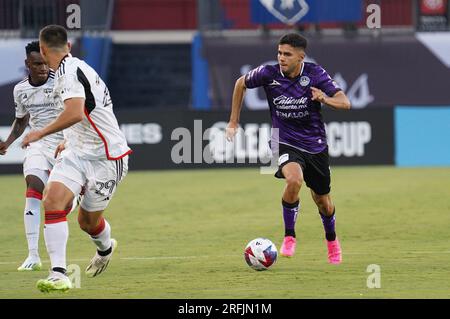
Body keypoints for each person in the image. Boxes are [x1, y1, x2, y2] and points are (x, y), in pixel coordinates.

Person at [22, 25, 132, 292]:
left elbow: (75, 113)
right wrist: (67, 140)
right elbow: (84, 112)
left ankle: (105, 248)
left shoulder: (69, 74)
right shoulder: (69, 69)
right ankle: (59, 273)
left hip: (107, 157)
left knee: (88, 222)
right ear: (68, 46)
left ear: (44, 50)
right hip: (77, 152)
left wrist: (41, 132)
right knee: (52, 200)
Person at [226, 33, 351, 264]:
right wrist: (233, 121)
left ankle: (332, 240)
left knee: (323, 201)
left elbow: (345, 102)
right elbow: (240, 84)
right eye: (279, 53)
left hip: (315, 146)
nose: (281, 58)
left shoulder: (315, 74)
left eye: (287, 54)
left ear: (301, 57)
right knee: (294, 180)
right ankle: (290, 236)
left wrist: (324, 98)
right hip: (284, 140)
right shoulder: (268, 73)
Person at [0, 41, 75, 272]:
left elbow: (76, 112)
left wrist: (70, 139)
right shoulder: (20, 89)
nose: (43, 68)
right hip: (39, 143)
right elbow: (22, 120)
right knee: (33, 187)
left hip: (66, 143)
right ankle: (33, 255)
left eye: (45, 63)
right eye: (37, 64)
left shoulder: (61, 82)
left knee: (61, 203)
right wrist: (7, 143)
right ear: (27, 64)